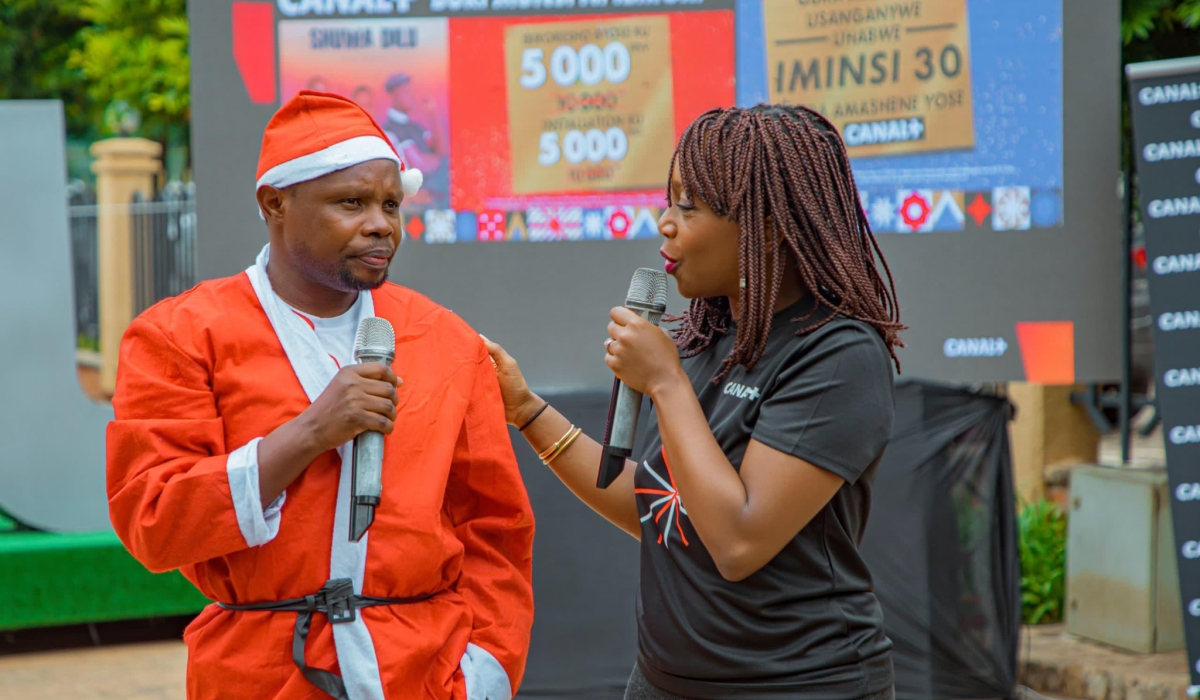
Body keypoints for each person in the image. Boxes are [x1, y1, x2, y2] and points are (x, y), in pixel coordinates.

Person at [106, 90, 535, 700]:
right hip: (259, 672)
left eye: (391, 203)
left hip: (426, 672)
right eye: (351, 202)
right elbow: (153, 521)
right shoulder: (179, 336)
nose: (381, 223)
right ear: (275, 202)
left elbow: (495, 527)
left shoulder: (445, 338)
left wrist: (486, 666)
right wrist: (310, 432)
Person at [484, 104, 904, 700]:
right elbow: (664, 508)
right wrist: (524, 409)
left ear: (767, 226)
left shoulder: (839, 353)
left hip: (798, 684)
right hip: (663, 683)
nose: (665, 222)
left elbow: (737, 542)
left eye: (690, 206)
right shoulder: (708, 338)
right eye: (668, 200)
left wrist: (666, 382)